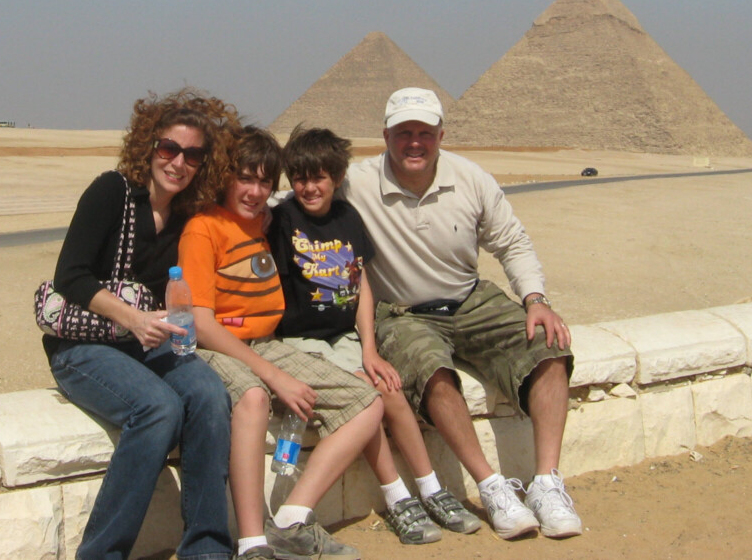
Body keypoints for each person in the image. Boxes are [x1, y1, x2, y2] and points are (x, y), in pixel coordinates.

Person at [342, 87, 583, 540]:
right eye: (403, 133)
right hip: (403, 312)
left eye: (425, 133)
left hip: (469, 299)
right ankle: (491, 486)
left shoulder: (471, 178)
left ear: (440, 135)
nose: (415, 142)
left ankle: (547, 482)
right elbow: (291, 205)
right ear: (385, 136)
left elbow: (512, 242)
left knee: (548, 345)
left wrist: (535, 299)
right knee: (430, 368)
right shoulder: (355, 184)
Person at [45, 89, 238, 560]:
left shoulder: (187, 213)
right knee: (158, 409)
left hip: (148, 341)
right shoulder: (111, 192)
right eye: (169, 149)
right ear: (148, 145)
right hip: (85, 345)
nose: (178, 163)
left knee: (211, 397)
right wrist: (132, 318)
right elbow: (69, 275)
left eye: (192, 155)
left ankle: (208, 548)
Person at [267, 126, 481, 546]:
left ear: (337, 177)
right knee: (366, 396)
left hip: (344, 337)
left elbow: (360, 281)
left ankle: (432, 489)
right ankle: (397, 497)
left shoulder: (348, 218)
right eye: (301, 178)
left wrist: (369, 348)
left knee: (389, 388)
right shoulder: (282, 220)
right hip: (301, 341)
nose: (310, 187)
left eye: (320, 177)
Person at [177, 125, 384, 560]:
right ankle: (253, 542)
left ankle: (290, 519)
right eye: (245, 178)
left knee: (366, 402)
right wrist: (273, 376)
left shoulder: (262, 223)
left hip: (267, 343)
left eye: (264, 182)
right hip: (219, 346)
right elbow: (201, 322)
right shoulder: (204, 229)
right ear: (225, 176)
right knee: (253, 398)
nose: (254, 191)